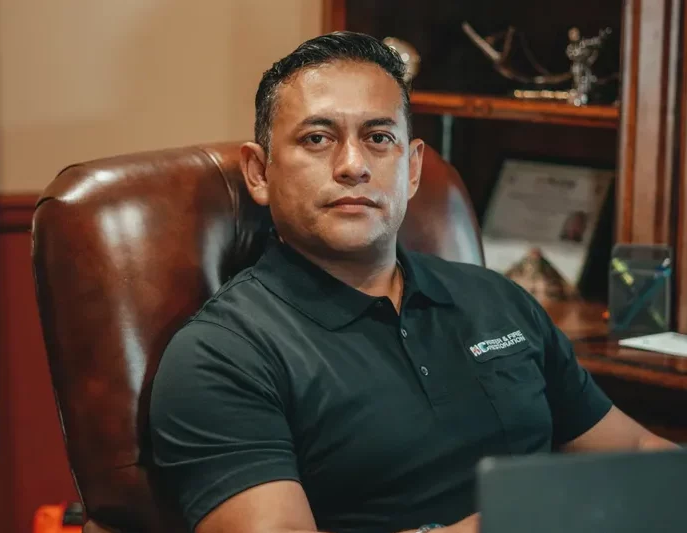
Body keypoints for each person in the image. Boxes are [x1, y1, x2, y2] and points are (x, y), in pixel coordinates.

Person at [149, 32, 676, 533]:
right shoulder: (221, 355)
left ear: (415, 168)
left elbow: (636, 451)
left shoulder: (498, 300)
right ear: (259, 173)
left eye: (379, 138)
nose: (353, 165)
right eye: (317, 138)